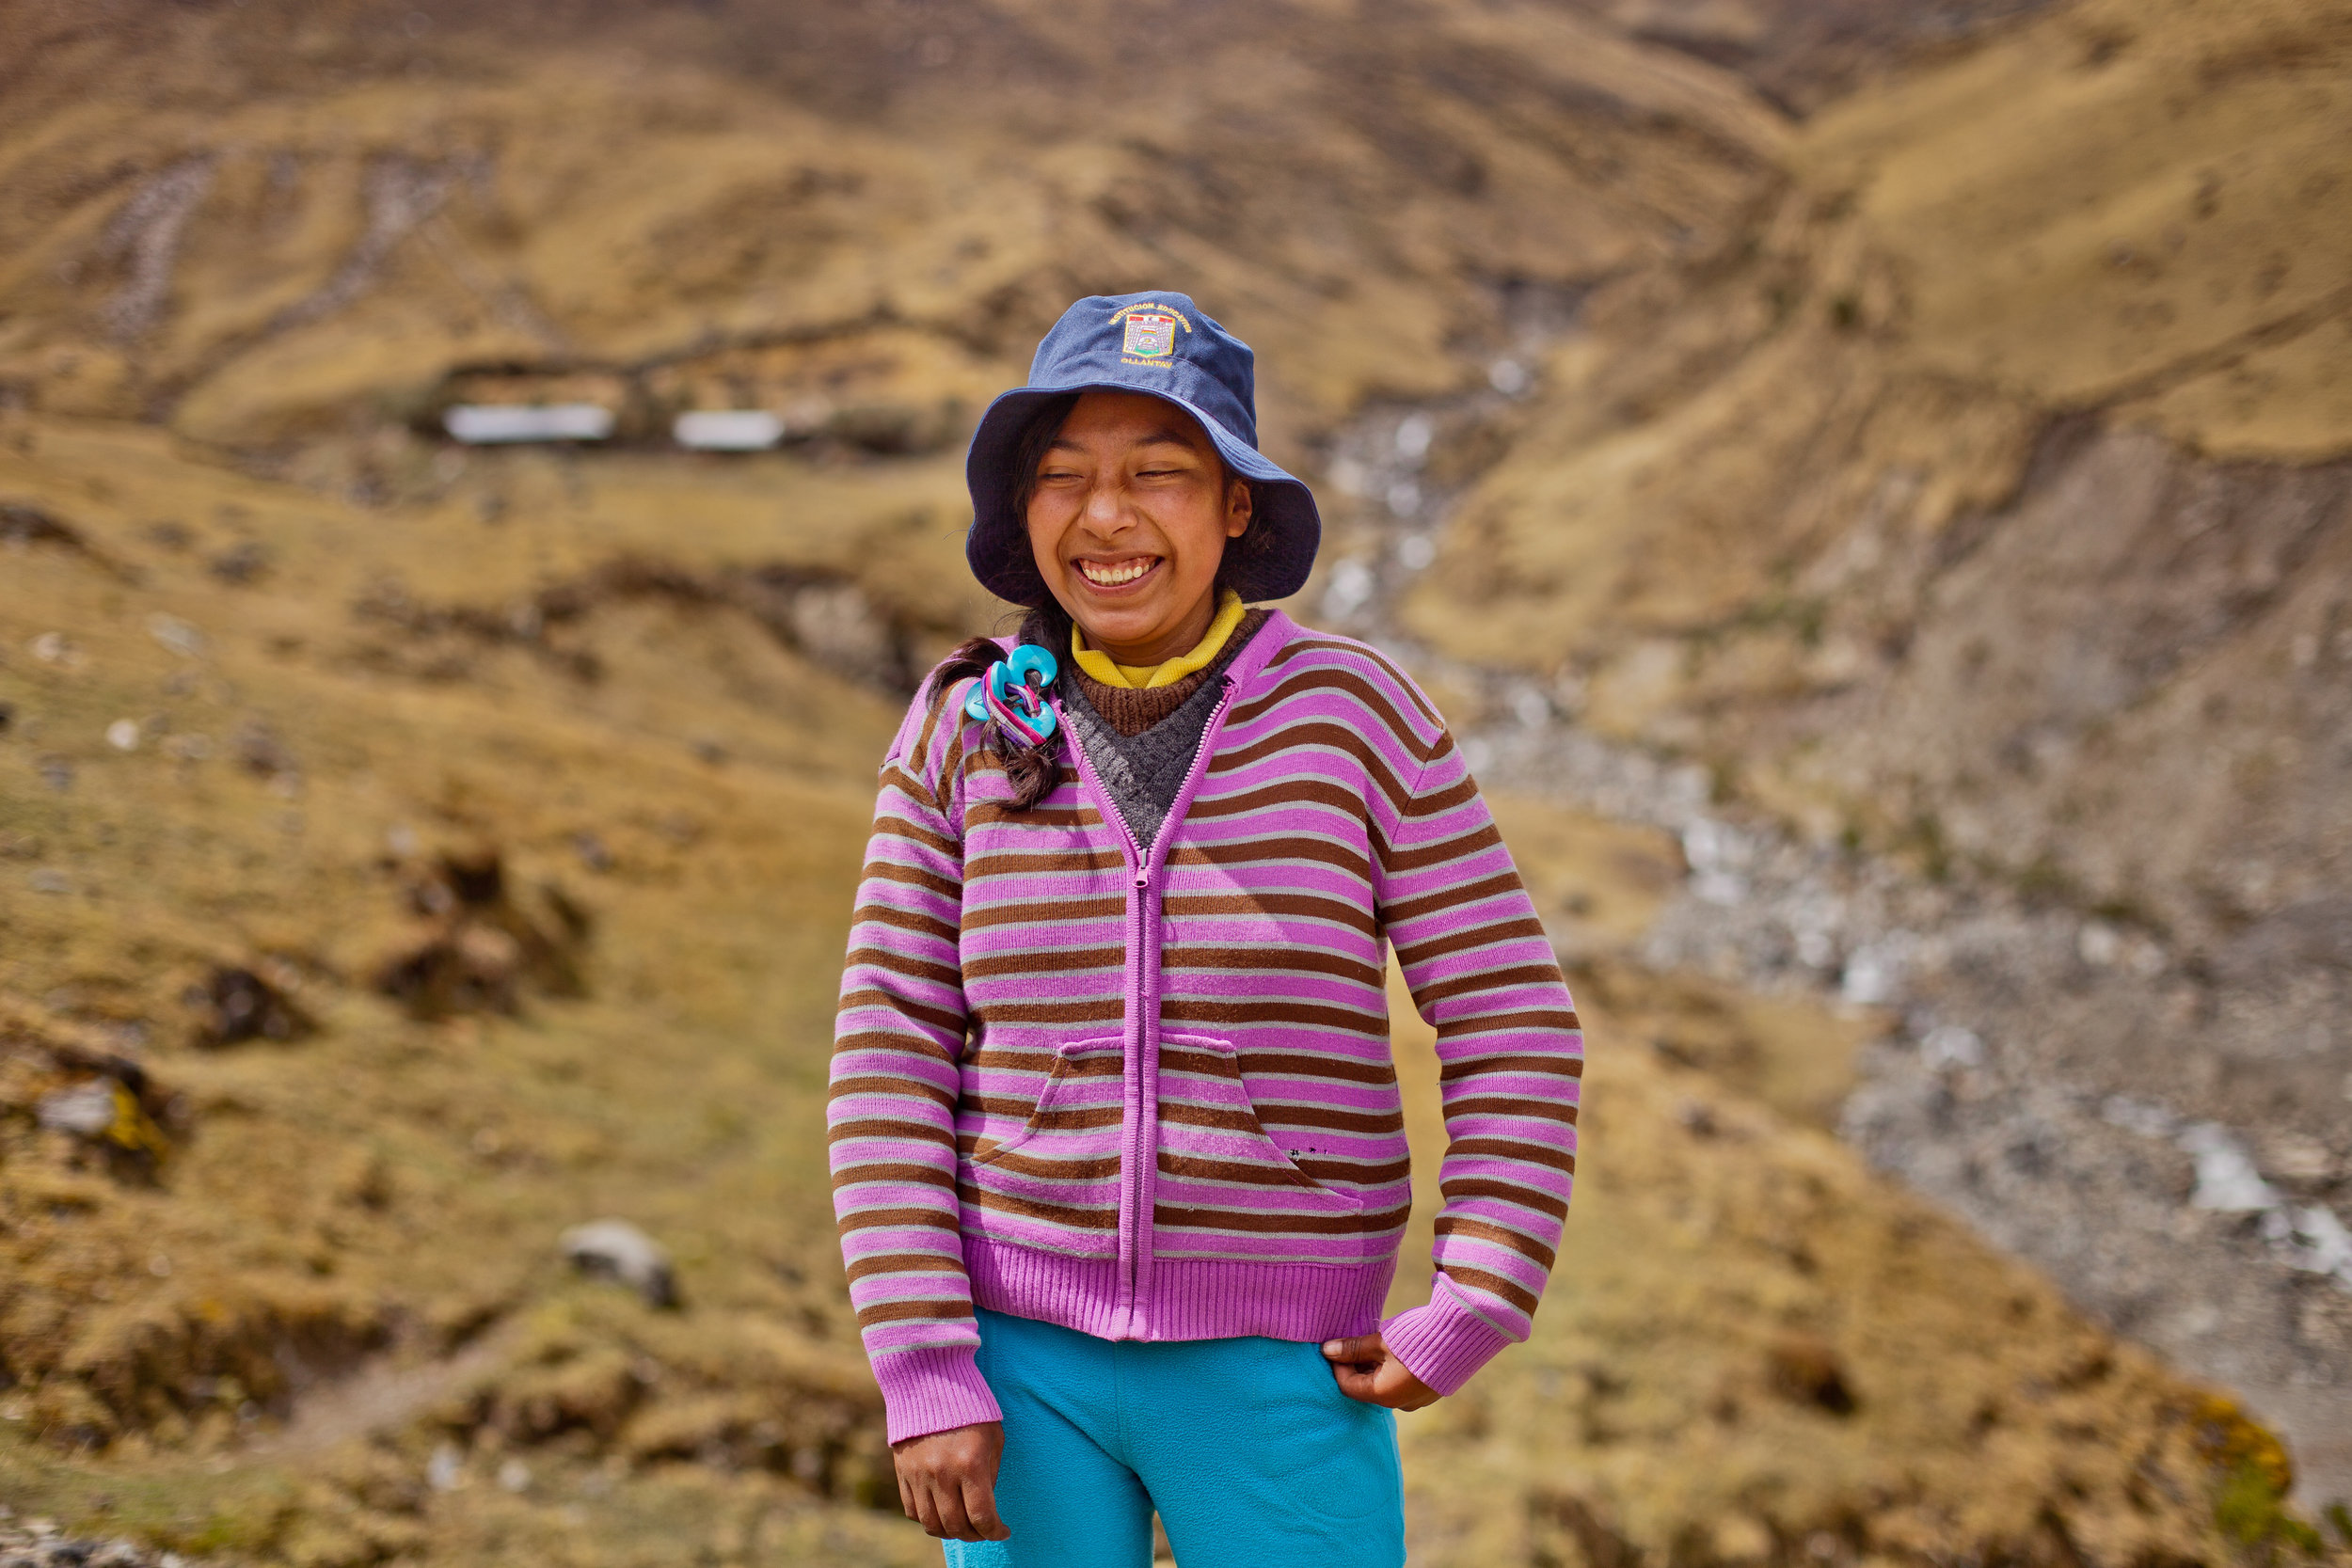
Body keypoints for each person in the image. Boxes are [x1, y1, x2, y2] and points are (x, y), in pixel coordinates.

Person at [828, 291, 1583, 1568]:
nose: (1105, 517)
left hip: (1287, 1379)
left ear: (1238, 506)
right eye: (1061, 476)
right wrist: (924, 1368)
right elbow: (890, 1048)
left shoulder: (1359, 720)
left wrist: (1475, 1299)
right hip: (1019, 1379)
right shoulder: (962, 726)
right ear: (1022, 509)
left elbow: (1510, 1014)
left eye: (1158, 475)